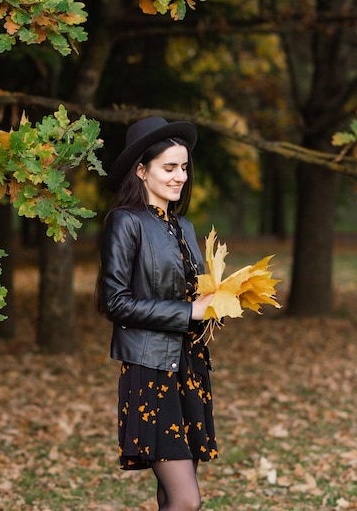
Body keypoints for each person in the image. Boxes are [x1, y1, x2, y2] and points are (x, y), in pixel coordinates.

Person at [96, 117, 218, 511]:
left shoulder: (183, 226)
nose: (180, 176)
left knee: (172, 495)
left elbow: (193, 296)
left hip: (189, 368)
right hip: (150, 370)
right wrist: (188, 310)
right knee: (186, 500)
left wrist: (221, 303)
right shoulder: (125, 221)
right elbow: (115, 302)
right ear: (141, 170)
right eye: (169, 167)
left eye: (184, 167)